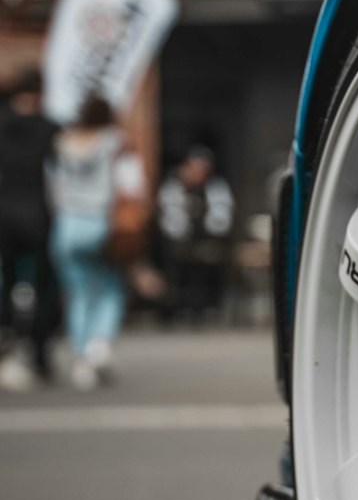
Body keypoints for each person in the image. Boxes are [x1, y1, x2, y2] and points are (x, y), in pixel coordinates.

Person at [49, 93, 146, 390]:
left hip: (66, 224)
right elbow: (133, 184)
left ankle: (81, 357)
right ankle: (98, 348)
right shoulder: (116, 142)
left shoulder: (63, 143)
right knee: (108, 288)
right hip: (101, 222)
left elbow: (52, 186)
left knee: (78, 293)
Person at [0, 68, 60, 388]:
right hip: (38, 215)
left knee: (5, 281)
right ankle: (39, 350)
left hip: (3, 215)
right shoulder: (49, 128)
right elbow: (59, 177)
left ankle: (7, 339)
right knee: (44, 286)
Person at [156, 145, 234, 319]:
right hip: (179, 243)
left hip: (207, 240)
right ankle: (178, 305)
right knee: (176, 264)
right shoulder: (173, 188)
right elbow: (170, 222)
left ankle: (207, 305)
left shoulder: (216, 188)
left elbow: (221, 220)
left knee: (208, 262)